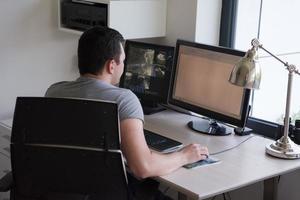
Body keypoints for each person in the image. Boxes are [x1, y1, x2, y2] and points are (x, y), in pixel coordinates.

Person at [45, 26, 209, 198]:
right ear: (111, 65)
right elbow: (142, 168)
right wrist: (184, 156)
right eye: (123, 60)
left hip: (62, 192)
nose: (124, 65)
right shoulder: (124, 99)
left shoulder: (53, 92)